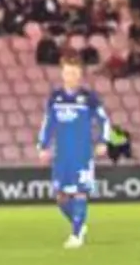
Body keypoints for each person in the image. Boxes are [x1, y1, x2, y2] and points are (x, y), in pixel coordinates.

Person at [36, 57, 110, 249]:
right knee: (61, 197)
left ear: (80, 75)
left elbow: (104, 121)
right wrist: (43, 146)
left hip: (82, 154)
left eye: (75, 73)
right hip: (62, 155)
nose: (71, 76)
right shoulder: (56, 97)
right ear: (62, 74)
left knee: (80, 193)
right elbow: (48, 123)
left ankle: (76, 235)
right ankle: (78, 224)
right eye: (68, 72)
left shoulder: (89, 98)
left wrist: (103, 141)